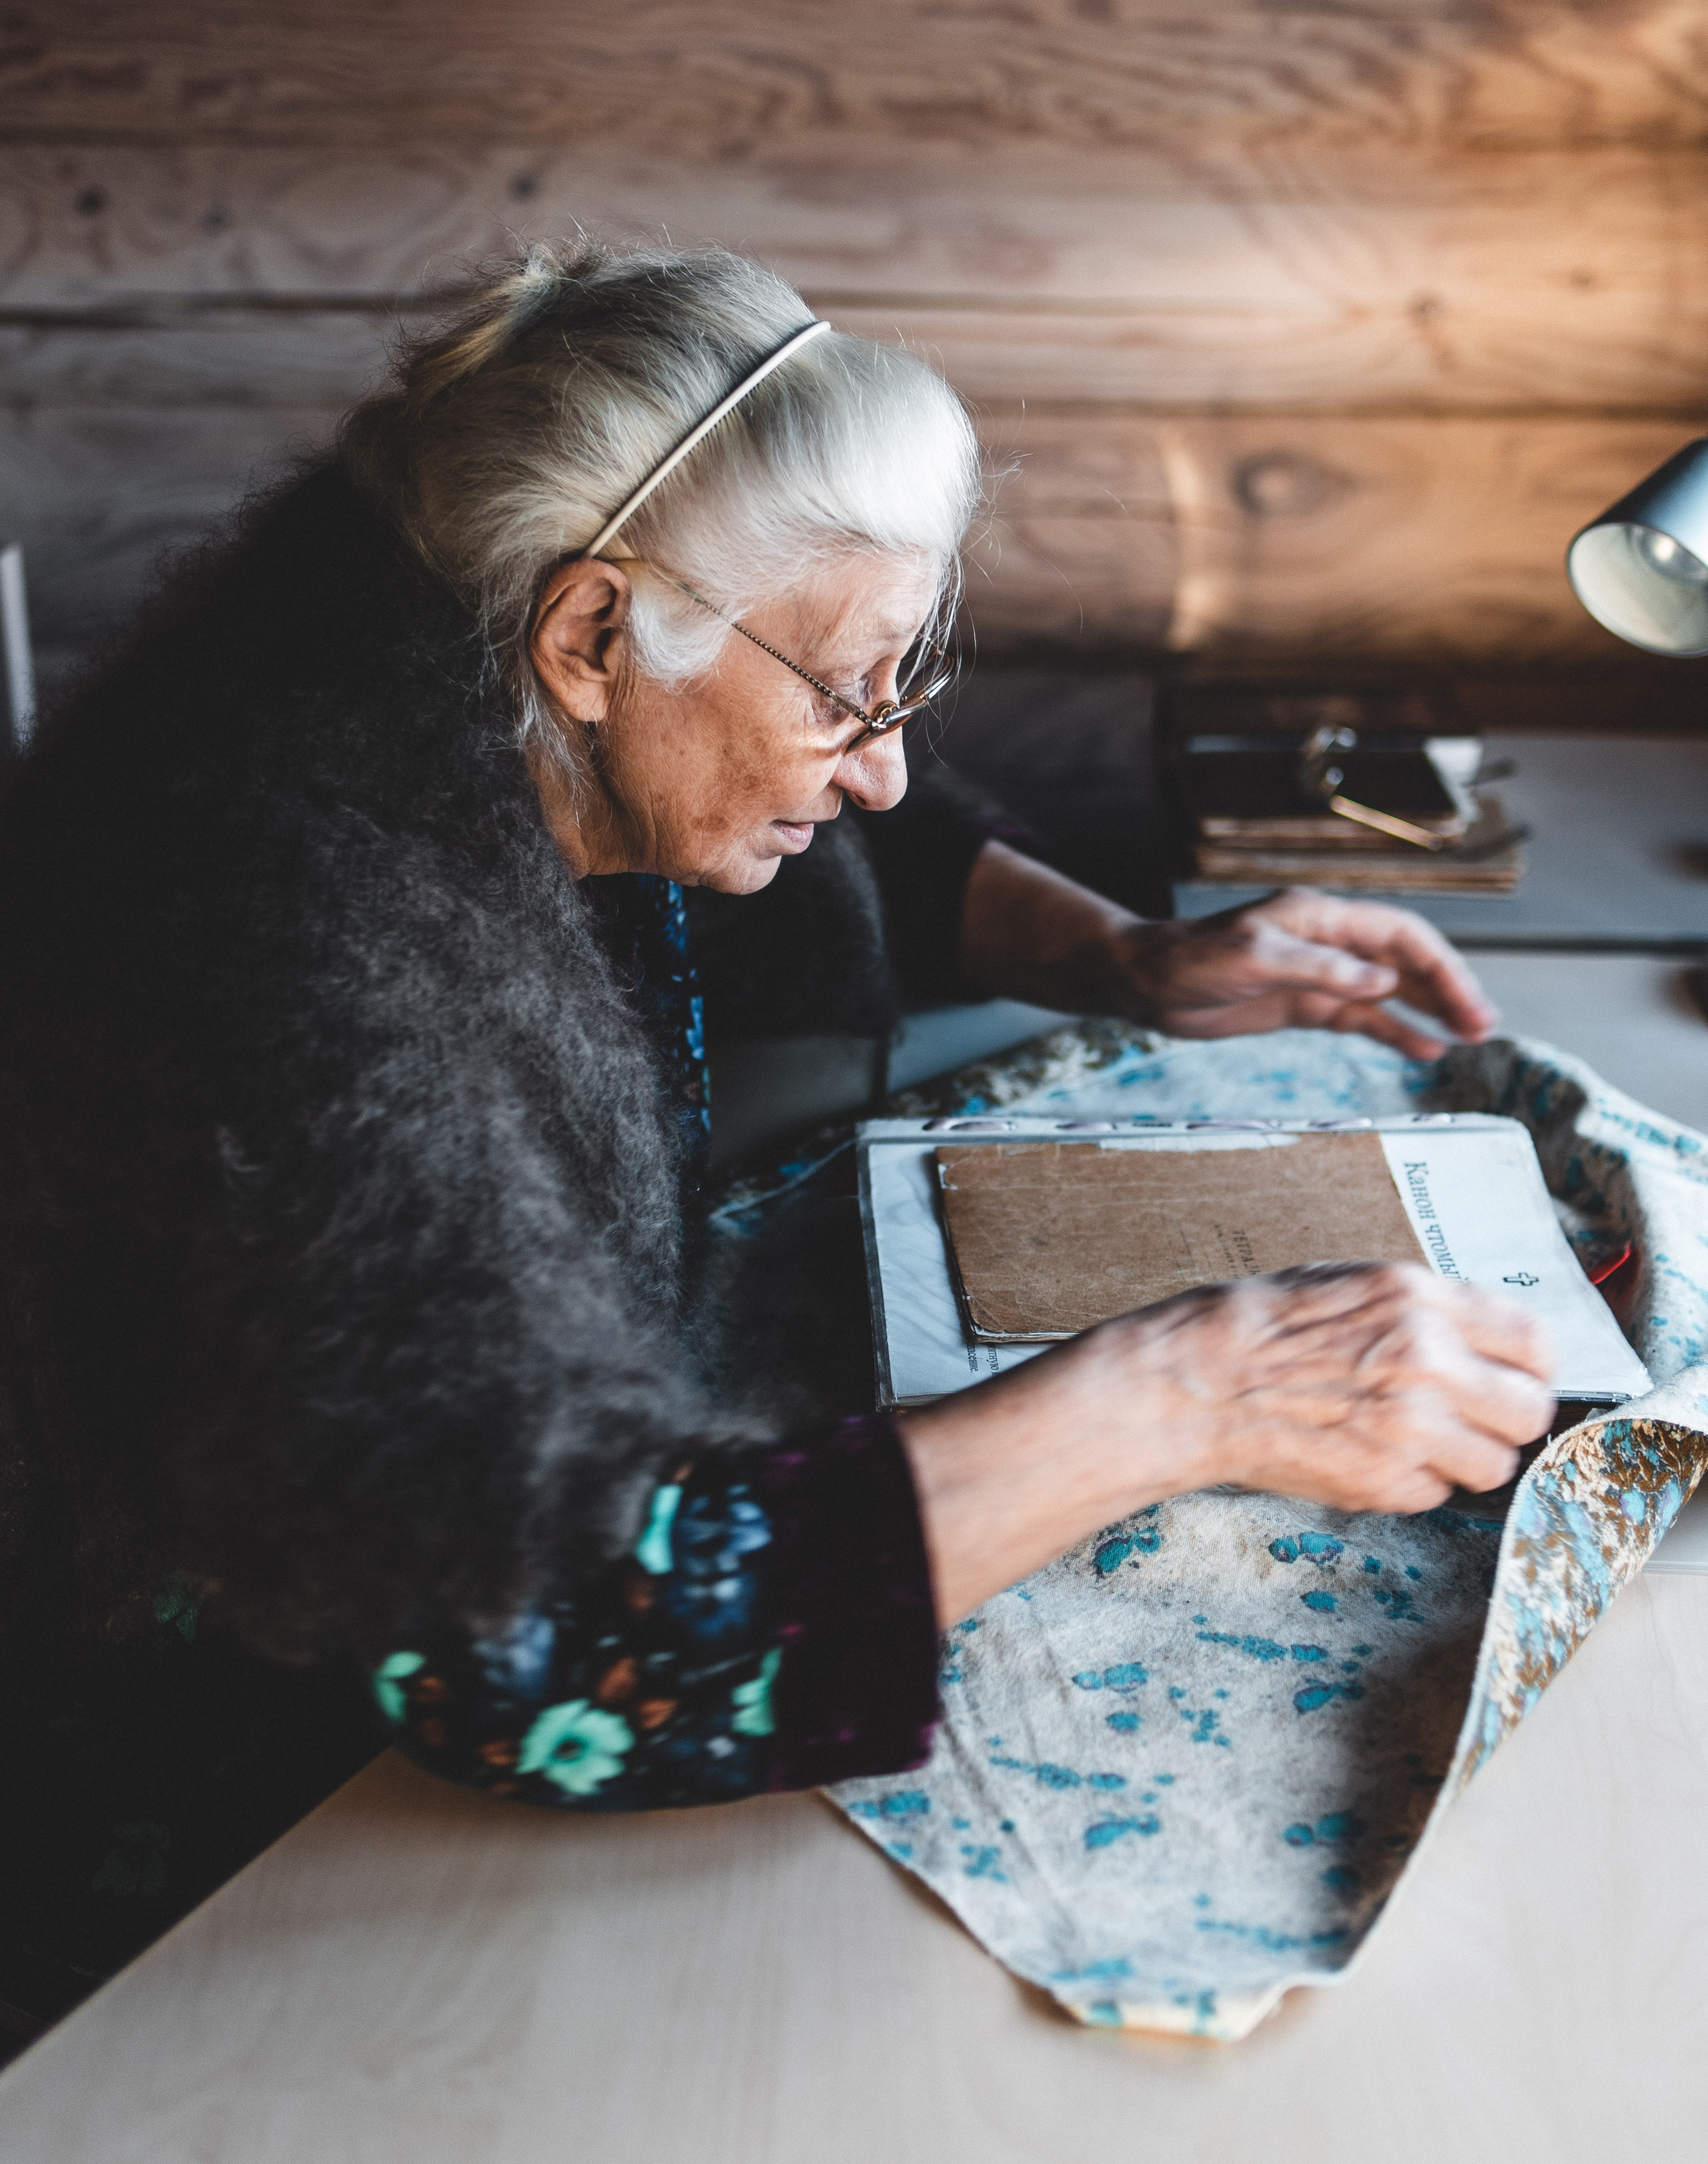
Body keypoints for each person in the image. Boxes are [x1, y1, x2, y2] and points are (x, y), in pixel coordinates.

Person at [0, 242, 1553, 2015]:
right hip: (225, 1836)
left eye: (902, 679)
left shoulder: (441, 649)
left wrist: (1130, 953)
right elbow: (556, 1638)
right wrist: (1199, 1390)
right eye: (846, 690)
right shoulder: (291, 946)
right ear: (591, 630)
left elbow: (820, 809)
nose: (882, 761)